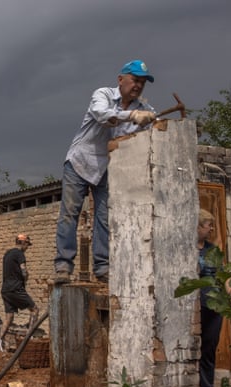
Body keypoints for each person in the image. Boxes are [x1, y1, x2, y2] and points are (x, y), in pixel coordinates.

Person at [52, 59, 157, 285]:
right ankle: (63, 265)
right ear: (121, 79)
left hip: (108, 168)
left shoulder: (144, 108)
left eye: (142, 82)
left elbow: (155, 127)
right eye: (135, 80)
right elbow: (102, 115)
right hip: (80, 161)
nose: (138, 86)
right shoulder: (103, 95)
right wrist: (131, 117)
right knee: (70, 213)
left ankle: (102, 267)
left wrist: (158, 123)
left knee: (104, 218)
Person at [197, 208, 223, 387]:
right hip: (192, 309)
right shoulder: (182, 250)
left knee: (209, 347)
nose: (212, 229)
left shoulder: (213, 251)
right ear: (198, 227)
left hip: (213, 307)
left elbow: (222, 278)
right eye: (208, 226)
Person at [0, 234, 39, 352]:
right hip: (15, 289)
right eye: (27, 245)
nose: (27, 248)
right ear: (23, 243)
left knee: (9, 316)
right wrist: (26, 278)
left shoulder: (7, 254)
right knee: (34, 310)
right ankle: (28, 340)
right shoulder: (20, 254)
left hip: (5, 290)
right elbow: (23, 270)